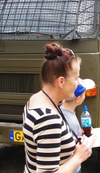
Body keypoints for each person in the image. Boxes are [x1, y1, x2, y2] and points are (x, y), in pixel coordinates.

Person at [23, 43, 95, 173]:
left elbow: (41, 144)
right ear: (61, 81)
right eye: (76, 78)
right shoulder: (48, 119)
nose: (78, 83)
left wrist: (69, 140)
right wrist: (78, 157)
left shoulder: (35, 100)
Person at [60, 79, 88, 173]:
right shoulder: (71, 121)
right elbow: (77, 147)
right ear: (78, 99)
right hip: (73, 169)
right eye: (84, 94)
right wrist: (89, 142)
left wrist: (81, 133)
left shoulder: (62, 111)